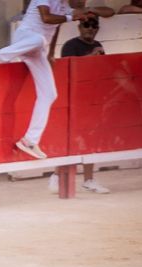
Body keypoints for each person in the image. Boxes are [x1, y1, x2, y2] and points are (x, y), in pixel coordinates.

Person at [0, 1, 113, 160]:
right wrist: (71, 17)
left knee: (49, 94)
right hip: (25, 38)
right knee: (40, 40)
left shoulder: (65, 7)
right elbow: (47, 18)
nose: (80, 1)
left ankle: (30, 140)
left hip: (37, 48)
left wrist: (89, 10)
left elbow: (109, 12)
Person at [55, 16, 110, 194]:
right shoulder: (70, 45)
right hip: (73, 99)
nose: (90, 29)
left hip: (91, 98)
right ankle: (57, 176)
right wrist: (91, 56)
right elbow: (68, 70)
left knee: (90, 138)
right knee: (68, 139)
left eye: (94, 26)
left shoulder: (98, 45)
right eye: (87, 25)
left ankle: (88, 179)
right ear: (79, 27)